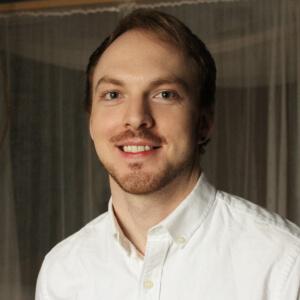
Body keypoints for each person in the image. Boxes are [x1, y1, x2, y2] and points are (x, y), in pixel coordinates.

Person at [35, 9, 300, 300]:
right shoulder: (61, 271)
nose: (136, 118)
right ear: (91, 120)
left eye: (164, 94)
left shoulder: (283, 262)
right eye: (113, 94)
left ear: (204, 122)